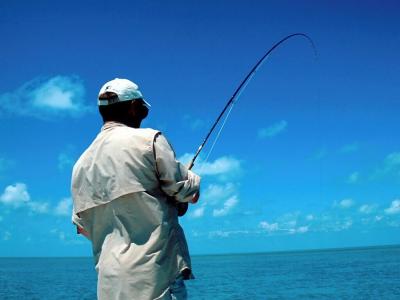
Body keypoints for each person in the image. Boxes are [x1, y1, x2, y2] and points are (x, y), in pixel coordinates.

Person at [71, 78, 201, 300]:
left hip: (110, 286)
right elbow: (189, 194)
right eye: (143, 108)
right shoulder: (149, 139)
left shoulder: (80, 165)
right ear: (133, 108)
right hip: (156, 281)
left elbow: (84, 229)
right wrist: (190, 178)